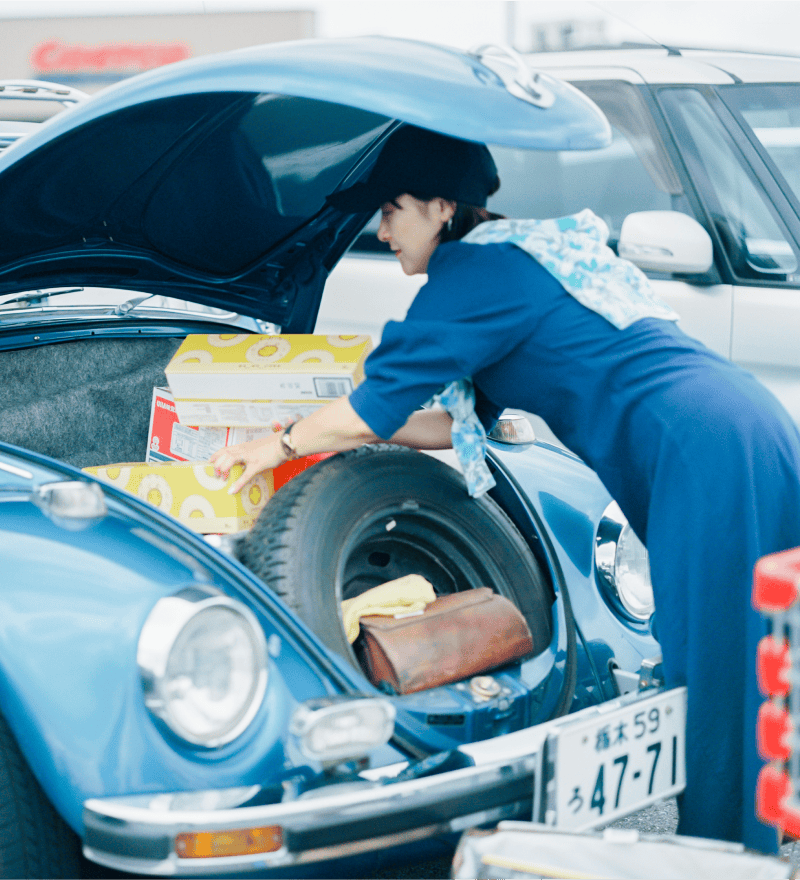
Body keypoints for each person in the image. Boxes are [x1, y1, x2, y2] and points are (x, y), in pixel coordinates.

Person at [210, 124, 800, 853]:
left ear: (439, 207)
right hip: (733, 428)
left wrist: (280, 442)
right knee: (757, 648)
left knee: (711, 657)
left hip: (702, 446)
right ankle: (752, 841)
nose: (382, 229)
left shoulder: (472, 275)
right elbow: (438, 425)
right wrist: (342, 427)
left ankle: (728, 855)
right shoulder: (515, 260)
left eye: (392, 209)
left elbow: (374, 405)